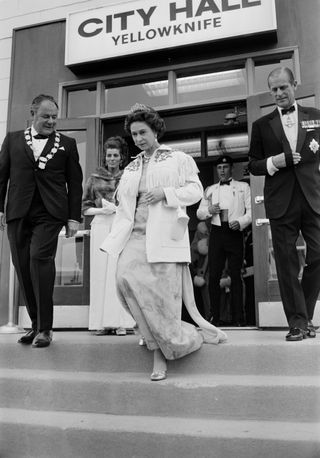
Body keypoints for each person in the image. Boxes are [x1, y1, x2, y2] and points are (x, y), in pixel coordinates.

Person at [101, 103, 227, 381]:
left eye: (142, 132)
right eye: (133, 134)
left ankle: (159, 351)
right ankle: (153, 339)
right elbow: (124, 202)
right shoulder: (132, 166)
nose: (138, 139)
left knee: (162, 298)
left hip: (165, 234)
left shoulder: (178, 158)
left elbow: (195, 192)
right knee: (124, 281)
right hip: (134, 234)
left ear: (155, 129)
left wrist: (165, 193)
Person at [0, 94, 83, 347]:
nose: (51, 121)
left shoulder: (67, 144)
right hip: (18, 211)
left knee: (39, 258)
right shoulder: (13, 139)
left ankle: (46, 329)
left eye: (54, 117)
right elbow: (1, 176)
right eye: (46, 116)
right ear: (33, 113)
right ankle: (35, 325)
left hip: (50, 212)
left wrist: (73, 218)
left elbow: (75, 183)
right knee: (23, 265)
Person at [248, 66, 320, 341]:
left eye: (283, 88)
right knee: (287, 263)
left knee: (318, 253)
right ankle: (298, 323)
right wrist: (274, 162)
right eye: (274, 89)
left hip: (313, 198)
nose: (278, 93)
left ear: (295, 85)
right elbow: (254, 165)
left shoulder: (316, 118)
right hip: (280, 202)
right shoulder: (261, 125)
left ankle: (306, 314)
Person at [82, 136, 135, 335]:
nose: (112, 158)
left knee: (118, 273)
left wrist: (119, 210)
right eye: (109, 155)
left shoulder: (128, 177)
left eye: (116, 155)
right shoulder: (94, 178)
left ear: (121, 158)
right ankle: (101, 323)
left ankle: (122, 322)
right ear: (105, 157)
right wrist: (101, 211)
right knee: (99, 274)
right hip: (101, 225)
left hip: (121, 225)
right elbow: (84, 208)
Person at [197, 156, 251, 326]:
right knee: (214, 276)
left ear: (231, 168)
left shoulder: (243, 187)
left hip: (234, 231)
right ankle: (215, 317)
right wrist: (209, 210)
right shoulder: (210, 189)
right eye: (219, 167)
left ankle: (239, 318)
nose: (222, 170)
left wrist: (241, 222)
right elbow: (199, 212)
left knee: (236, 275)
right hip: (217, 233)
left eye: (225, 167)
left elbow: (251, 211)